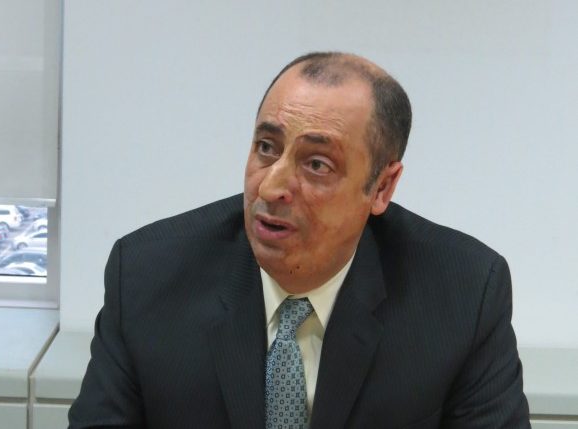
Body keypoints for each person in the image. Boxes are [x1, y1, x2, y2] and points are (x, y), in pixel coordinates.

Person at [69, 52, 530, 428]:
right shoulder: (147, 275)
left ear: (382, 187)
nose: (271, 187)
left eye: (317, 165)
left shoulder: (464, 294)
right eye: (266, 148)